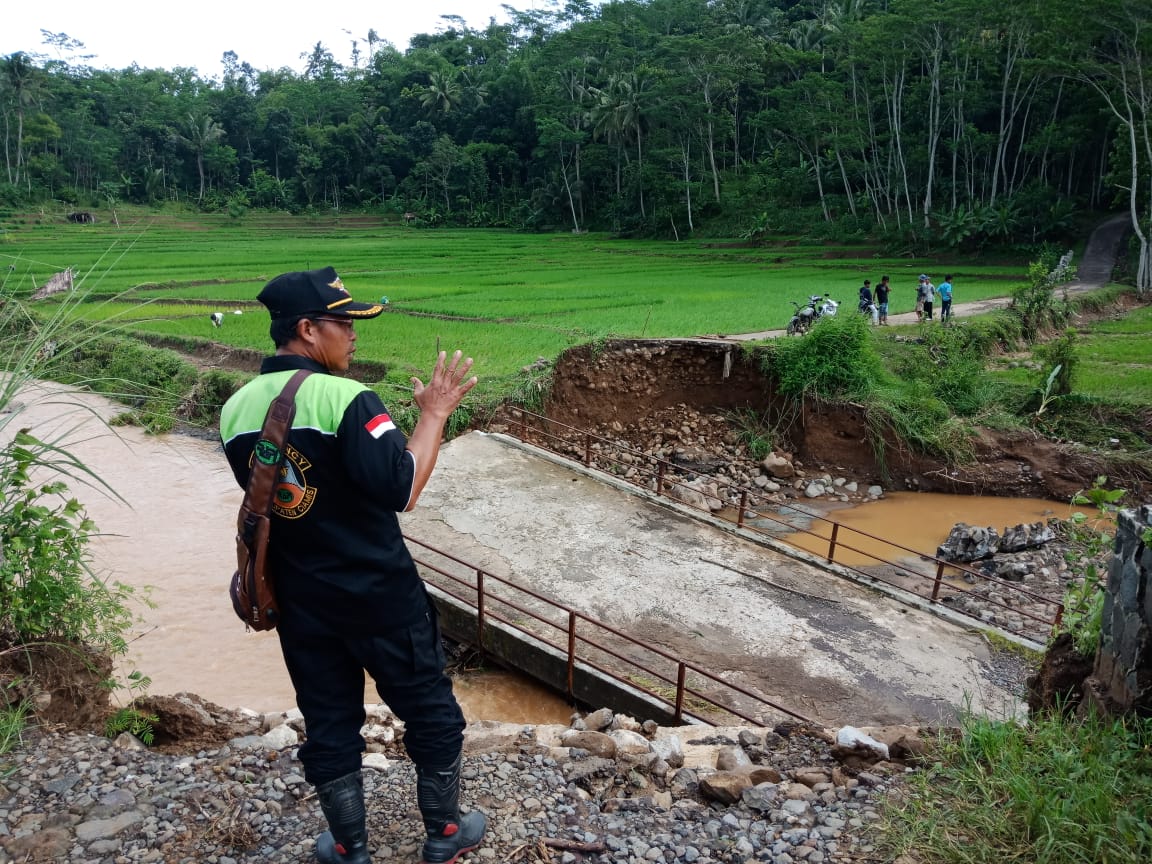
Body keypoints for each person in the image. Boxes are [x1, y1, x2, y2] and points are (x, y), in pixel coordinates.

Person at [219, 267, 486, 864]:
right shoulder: (347, 398)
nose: (353, 336)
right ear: (309, 330)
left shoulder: (234, 409)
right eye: (344, 323)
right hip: (380, 596)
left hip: (302, 602)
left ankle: (349, 845)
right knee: (429, 708)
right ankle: (445, 834)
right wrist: (434, 413)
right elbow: (401, 488)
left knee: (330, 720)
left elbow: (280, 505)